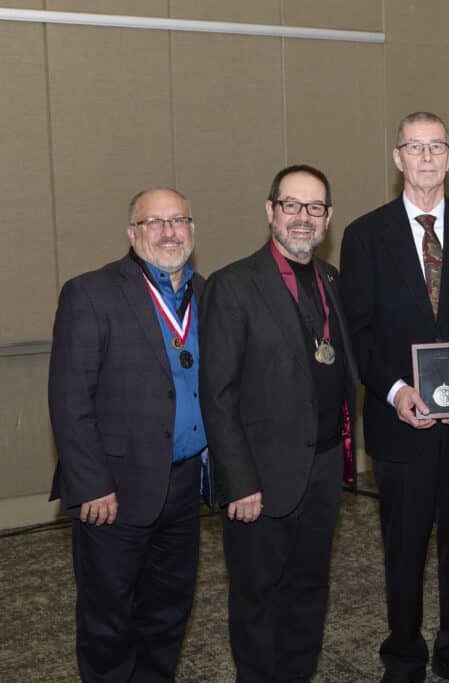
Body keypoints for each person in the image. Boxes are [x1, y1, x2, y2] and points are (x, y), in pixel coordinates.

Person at [339, 112, 449, 683]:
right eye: (413, 147)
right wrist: (394, 393)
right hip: (401, 425)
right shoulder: (364, 235)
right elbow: (356, 332)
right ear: (397, 158)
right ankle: (405, 654)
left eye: (435, 146)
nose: (425, 157)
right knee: (404, 546)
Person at [199, 164, 358, 681]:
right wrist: (238, 483)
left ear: (329, 218)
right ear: (270, 211)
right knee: (257, 597)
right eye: (291, 205)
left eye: (315, 208)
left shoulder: (333, 280)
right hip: (261, 479)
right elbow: (217, 396)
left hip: (323, 467)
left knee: (310, 589)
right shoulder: (232, 285)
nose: (303, 218)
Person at [48, 188, 207, 682]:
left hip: (184, 486)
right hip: (114, 490)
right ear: (132, 234)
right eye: (153, 222)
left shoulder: (210, 294)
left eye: (177, 220)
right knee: (108, 620)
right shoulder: (91, 292)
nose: (167, 232)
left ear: (192, 230)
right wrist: (92, 483)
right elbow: (69, 399)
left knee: (167, 612)